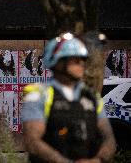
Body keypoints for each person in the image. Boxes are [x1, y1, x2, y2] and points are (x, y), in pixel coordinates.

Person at [21, 33, 116, 163]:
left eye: (83, 60)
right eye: (75, 60)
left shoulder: (92, 97)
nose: (81, 64)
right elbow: (32, 141)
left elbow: (109, 138)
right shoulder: (39, 95)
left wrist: (97, 160)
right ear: (58, 62)